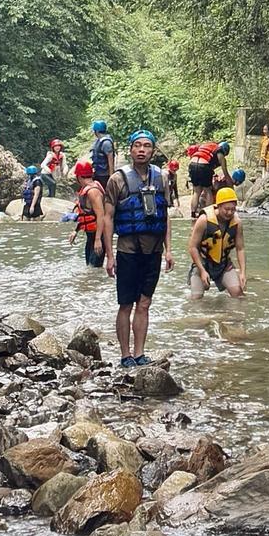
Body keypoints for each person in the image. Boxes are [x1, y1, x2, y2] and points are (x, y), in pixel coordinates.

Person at [104, 131, 174, 367]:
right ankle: (125, 355)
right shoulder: (117, 180)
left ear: (153, 151)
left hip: (153, 251)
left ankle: (140, 353)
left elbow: (165, 216)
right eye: (137, 146)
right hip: (128, 251)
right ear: (131, 150)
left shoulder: (162, 178)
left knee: (144, 303)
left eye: (146, 146)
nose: (142, 150)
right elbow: (108, 218)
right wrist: (109, 255)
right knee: (126, 304)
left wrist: (169, 250)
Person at [187, 187, 246, 297]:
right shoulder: (204, 220)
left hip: (223, 264)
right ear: (218, 206)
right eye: (226, 209)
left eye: (233, 209)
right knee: (197, 298)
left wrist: (242, 272)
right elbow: (192, 247)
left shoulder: (237, 223)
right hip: (202, 263)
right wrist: (202, 270)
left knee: (239, 295)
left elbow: (240, 248)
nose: (230, 213)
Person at [71, 159, 107, 267]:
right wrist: (76, 231)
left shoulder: (93, 192)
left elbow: (101, 216)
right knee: (90, 269)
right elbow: (85, 214)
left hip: (98, 237)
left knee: (94, 268)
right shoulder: (87, 188)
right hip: (91, 237)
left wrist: (98, 240)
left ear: (79, 177)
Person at [185, 138, 230, 217]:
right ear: (225, 151)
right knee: (208, 190)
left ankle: (192, 213)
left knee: (196, 191)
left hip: (192, 164)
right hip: (203, 166)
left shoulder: (208, 146)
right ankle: (208, 213)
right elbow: (225, 173)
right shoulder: (220, 152)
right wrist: (230, 184)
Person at [89, 119, 115, 185]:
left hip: (104, 175)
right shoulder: (99, 140)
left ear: (96, 131)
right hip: (98, 173)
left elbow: (110, 159)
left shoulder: (106, 143)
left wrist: (111, 176)